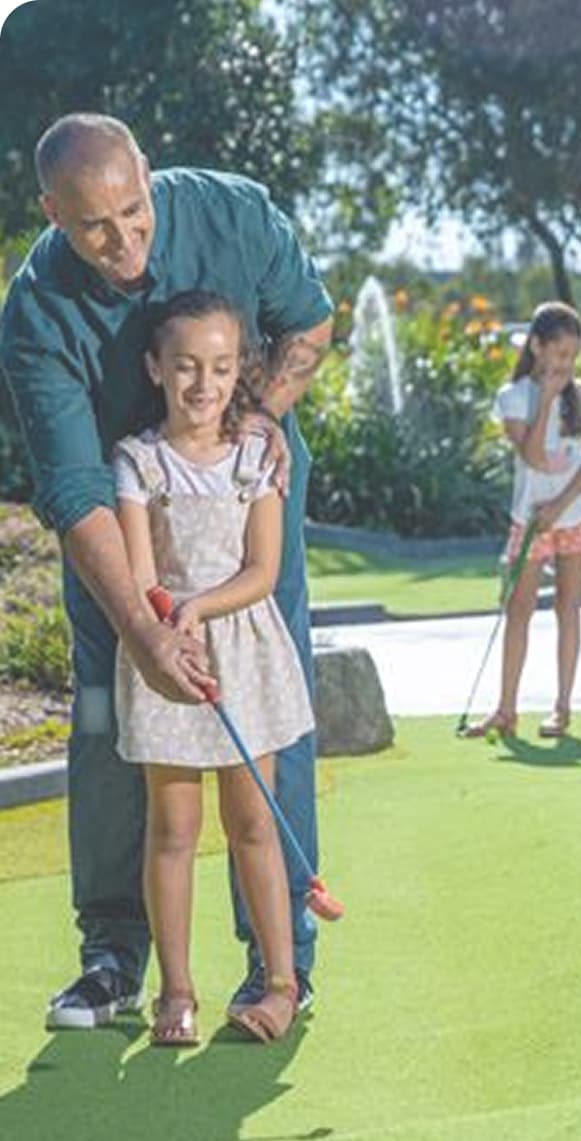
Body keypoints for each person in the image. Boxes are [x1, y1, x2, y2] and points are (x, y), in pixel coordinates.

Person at [0, 114, 333, 1028]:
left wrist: (256, 414)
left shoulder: (231, 213)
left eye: (134, 211)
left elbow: (309, 322)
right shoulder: (35, 311)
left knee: (270, 722)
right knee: (111, 727)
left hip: (244, 534)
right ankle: (114, 956)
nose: (123, 242)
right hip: (126, 541)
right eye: (94, 227)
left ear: (148, 172)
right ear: (52, 215)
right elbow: (73, 487)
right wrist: (144, 626)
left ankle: (282, 964)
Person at [113, 290, 312, 1045]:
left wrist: (201, 609)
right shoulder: (138, 461)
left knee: (252, 820)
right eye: (187, 366)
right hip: (167, 654)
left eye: (222, 368)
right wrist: (171, 624)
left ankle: (281, 983)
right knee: (173, 827)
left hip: (241, 648)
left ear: (240, 373)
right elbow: (137, 573)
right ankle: (177, 994)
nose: (204, 384)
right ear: (155, 369)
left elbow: (263, 571)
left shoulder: (257, 457)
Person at [464, 301, 581, 739]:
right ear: (538, 347)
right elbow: (533, 456)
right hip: (529, 518)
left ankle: (562, 708)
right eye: (560, 353)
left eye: (572, 355)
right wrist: (545, 398)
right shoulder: (513, 397)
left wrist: (558, 508)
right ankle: (506, 710)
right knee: (519, 608)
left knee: (568, 608)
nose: (566, 364)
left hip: (575, 514)